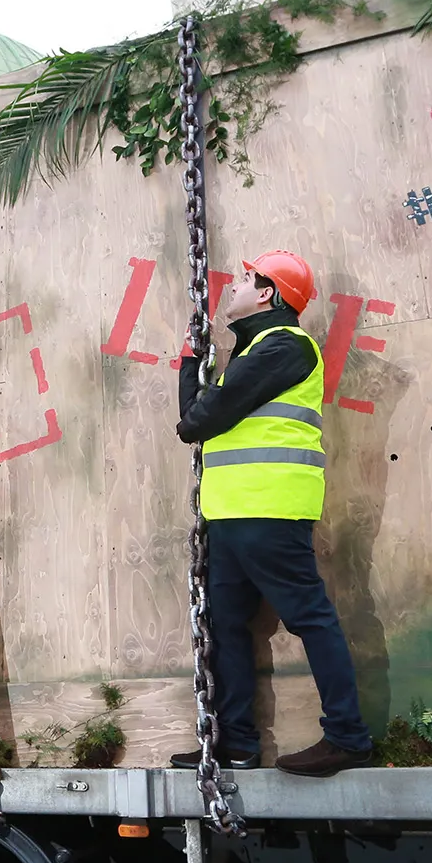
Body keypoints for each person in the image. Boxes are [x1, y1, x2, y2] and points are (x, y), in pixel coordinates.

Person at [169, 251, 376, 777]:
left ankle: (348, 737)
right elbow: (204, 418)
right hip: (234, 513)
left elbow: (195, 422)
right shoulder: (253, 351)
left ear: (267, 293)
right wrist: (198, 368)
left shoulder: (285, 346)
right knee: (226, 626)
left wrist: (192, 368)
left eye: (245, 278)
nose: (234, 285)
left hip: (270, 509)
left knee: (309, 617)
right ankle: (236, 744)